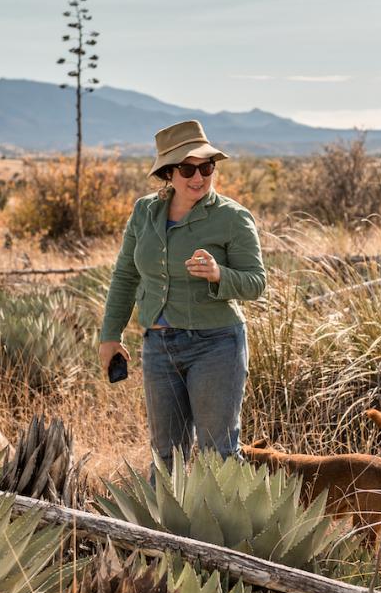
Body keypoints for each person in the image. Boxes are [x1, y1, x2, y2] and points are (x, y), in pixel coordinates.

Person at [99, 119, 266, 474]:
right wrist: (110, 336)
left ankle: (222, 532)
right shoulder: (145, 212)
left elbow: (255, 282)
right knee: (165, 456)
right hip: (158, 346)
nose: (198, 177)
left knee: (217, 455)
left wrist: (220, 274)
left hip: (216, 345)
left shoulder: (232, 217)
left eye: (206, 167)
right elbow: (126, 275)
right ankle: (162, 530)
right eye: (188, 168)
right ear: (168, 173)